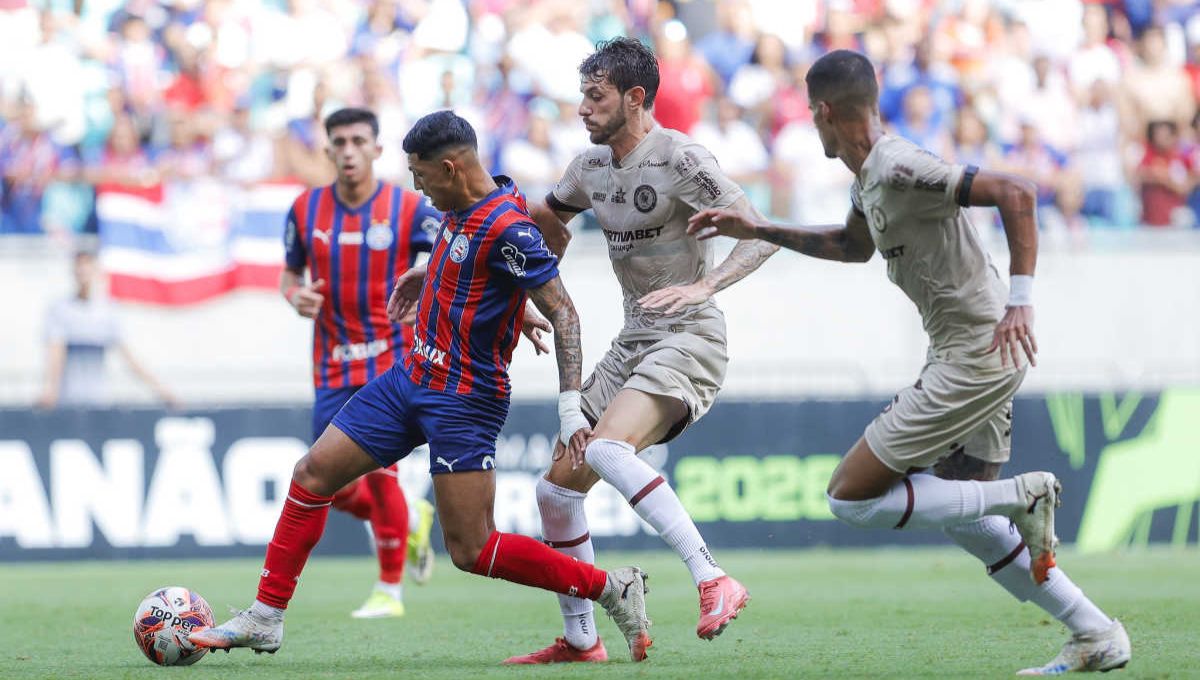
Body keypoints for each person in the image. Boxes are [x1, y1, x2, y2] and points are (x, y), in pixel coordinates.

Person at [688, 49, 1131, 676]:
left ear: (823, 111)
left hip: (978, 352)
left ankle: (1023, 497)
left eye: (810, 114)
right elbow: (849, 247)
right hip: (967, 352)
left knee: (851, 497)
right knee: (972, 517)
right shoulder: (868, 178)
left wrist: (1020, 302)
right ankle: (1095, 633)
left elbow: (1016, 192)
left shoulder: (899, 165)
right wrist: (759, 229)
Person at [189, 110, 653, 663]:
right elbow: (476, 267)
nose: (416, 186)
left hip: (464, 402)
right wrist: (432, 272)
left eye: (420, 175)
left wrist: (570, 409)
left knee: (472, 548)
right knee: (312, 474)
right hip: (409, 377)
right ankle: (266, 617)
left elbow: (567, 316)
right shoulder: (461, 205)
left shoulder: (510, 227)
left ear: (451, 169)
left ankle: (611, 588)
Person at [504, 37, 779, 665]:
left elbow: (760, 234)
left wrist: (705, 284)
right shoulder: (588, 169)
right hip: (633, 338)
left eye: (595, 96)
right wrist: (534, 291)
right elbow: (543, 223)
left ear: (634, 97)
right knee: (555, 491)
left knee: (604, 447)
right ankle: (582, 640)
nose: (582, 108)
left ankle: (713, 578)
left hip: (690, 334)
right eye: (581, 95)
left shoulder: (682, 159)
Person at [278, 107, 440, 619]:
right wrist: (295, 296)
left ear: (376, 149)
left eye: (358, 141)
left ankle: (389, 591)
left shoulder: (408, 208)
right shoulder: (305, 210)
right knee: (331, 484)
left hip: (389, 357)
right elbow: (289, 276)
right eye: (339, 142)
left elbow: (445, 260)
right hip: (330, 362)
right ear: (327, 151)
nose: (348, 150)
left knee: (382, 472)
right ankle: (409, 518)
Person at [37, 247, 178, 409]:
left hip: (98, 401)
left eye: (87, 267)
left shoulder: (108, 311)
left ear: (96, 271)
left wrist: (161, 391)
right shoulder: (61, 309)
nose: (83, 273)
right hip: (67, 401)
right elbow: (56, 353)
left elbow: (129, 358)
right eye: (79, 267)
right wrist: (50, 389)